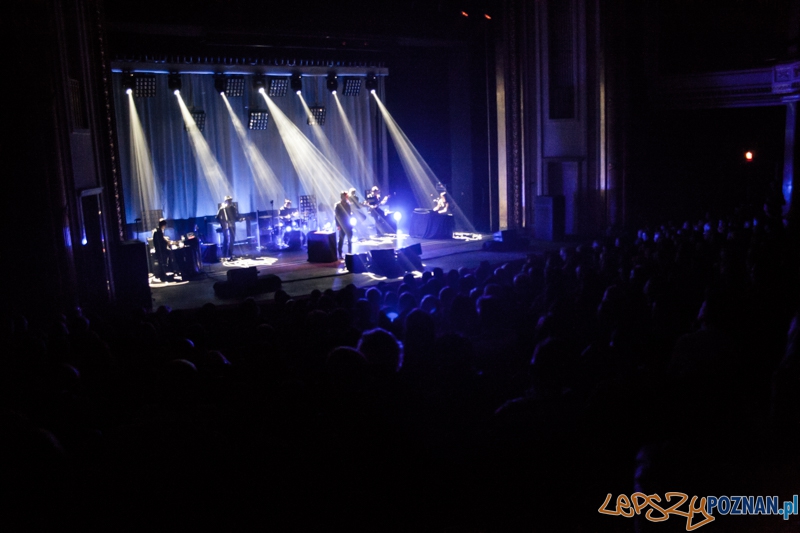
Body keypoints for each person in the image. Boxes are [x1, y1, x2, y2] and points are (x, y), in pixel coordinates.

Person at [216, 195, 242, 260]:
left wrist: (239, 219)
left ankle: (230, 254)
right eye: (228, 200)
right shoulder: (222, 209)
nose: (230, 202)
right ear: (226, 201)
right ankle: (224, 254)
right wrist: (223, 223)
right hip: (225, 226)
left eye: (230, 200)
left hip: (232, 225)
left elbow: (235, 217)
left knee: (232, 240)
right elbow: (217, 218)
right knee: (226, 240)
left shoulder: (233, 208)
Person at [334, 191, 354, 260]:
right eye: (344, 197)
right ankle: (340, 254)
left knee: (350, 239)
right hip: (342, 224)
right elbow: (336, 216)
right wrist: (338, 225)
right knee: (341, 240)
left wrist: (352, 223)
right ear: (341, 197)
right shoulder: (338, 205)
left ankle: (350, 253)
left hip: (348, 224)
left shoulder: (348, 205)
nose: (345, 198)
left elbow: (350, 214)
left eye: (346, 197)